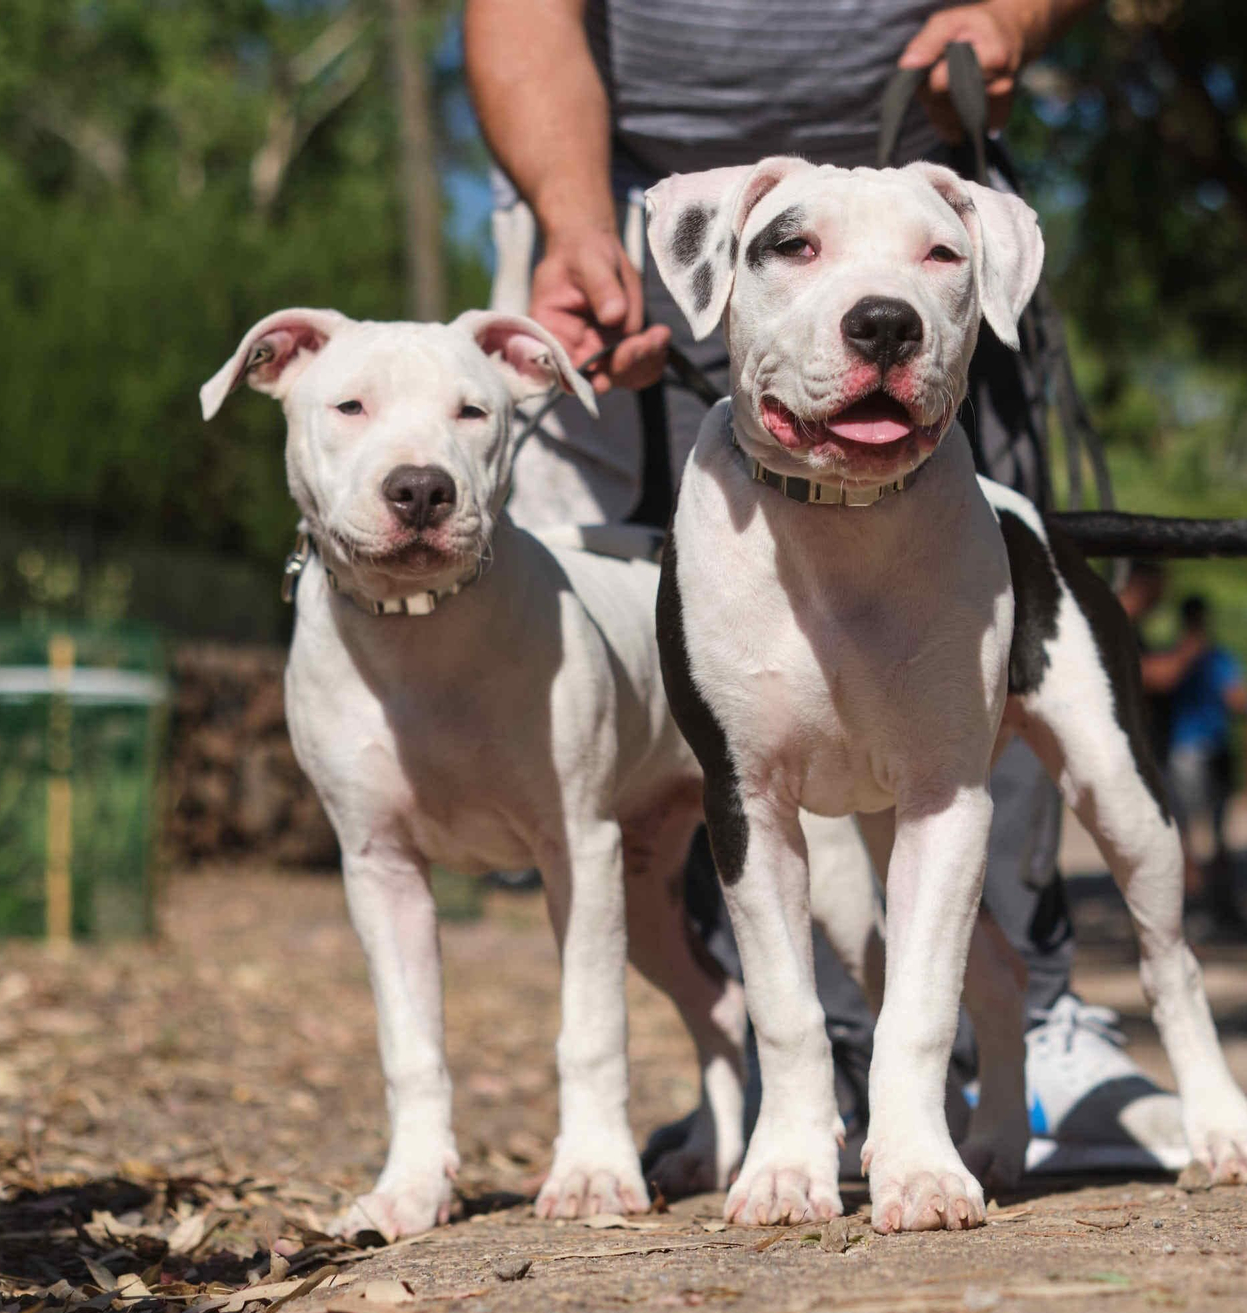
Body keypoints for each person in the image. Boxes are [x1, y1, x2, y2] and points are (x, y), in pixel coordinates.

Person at [464, 0, 1188, 1179]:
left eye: (930, 276)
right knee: (718, 767)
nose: (878, 307)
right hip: (624, 194)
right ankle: (791, 1086)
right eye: (804, 252)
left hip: (933, 149)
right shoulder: (699, 244)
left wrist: (1008, 16)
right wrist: (575, 220)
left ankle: (1002, 1042)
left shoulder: (948, 246)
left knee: (960, 762)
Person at [1141, 595, 1247, 930]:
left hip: (1203, 751)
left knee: (1208, 835)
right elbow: (1240, 699)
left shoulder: (1210, 657)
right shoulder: (1191, 657)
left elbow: (1239, 699)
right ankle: (1202, 907)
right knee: (1195, 836)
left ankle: (1216, 906)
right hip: (1192, 752)